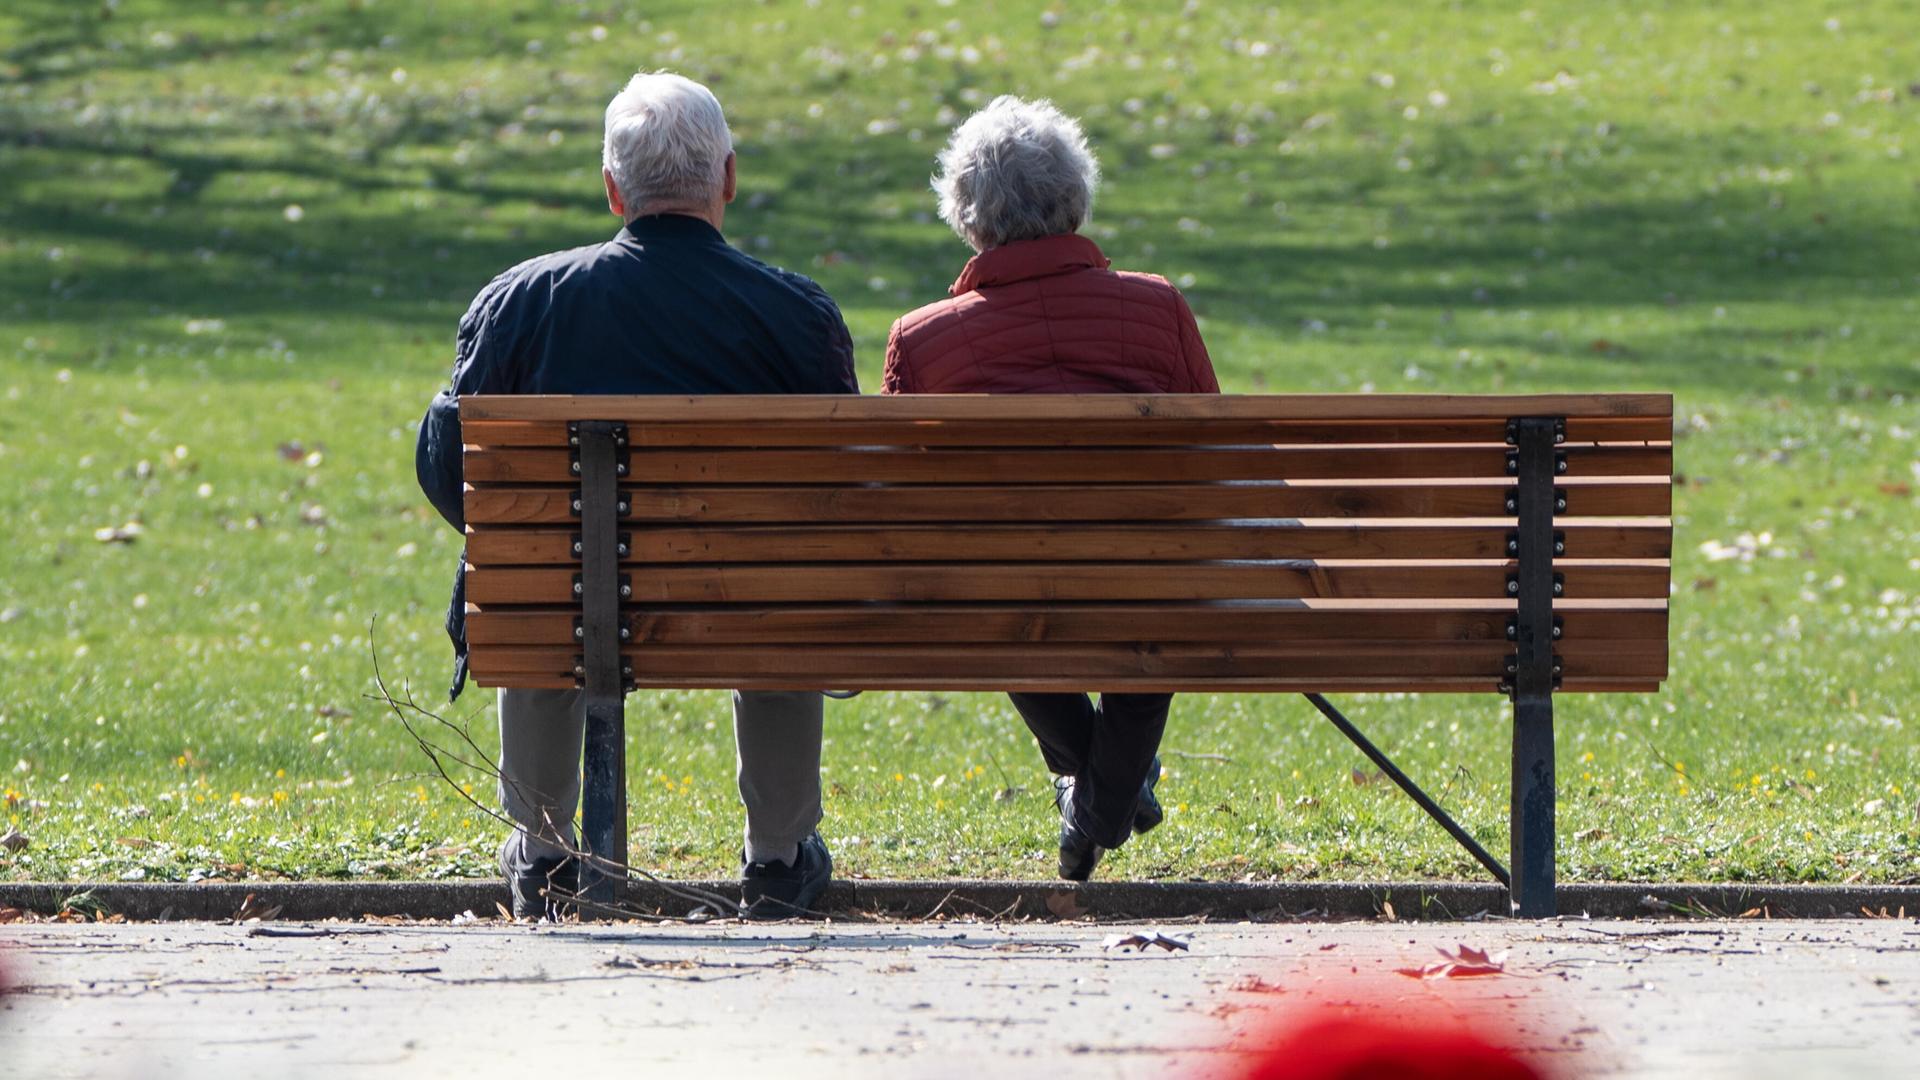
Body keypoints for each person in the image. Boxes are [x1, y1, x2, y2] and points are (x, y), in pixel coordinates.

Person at [415, 72, 854, 919]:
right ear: (727, 178)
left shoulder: (520, 306)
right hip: (745, 605)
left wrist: (504, 537)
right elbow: (834, 488)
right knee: (779, 587)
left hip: (562, 602)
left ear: (613, 188)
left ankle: (544, 854)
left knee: (544, 580)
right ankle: (778, 856)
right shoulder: (796, 317)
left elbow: (449, 459)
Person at [882, 96, 1220, 880]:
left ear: (968, 217)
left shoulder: (923, 342)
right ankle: (1108, 797)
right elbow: (1210, 458)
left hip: (1001, 599)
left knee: (990, 588)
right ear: (1076, 201)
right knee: (1149, 604)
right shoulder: (1158, 307)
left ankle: (1100, 802)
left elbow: (902, 503)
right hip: (1148, 589)